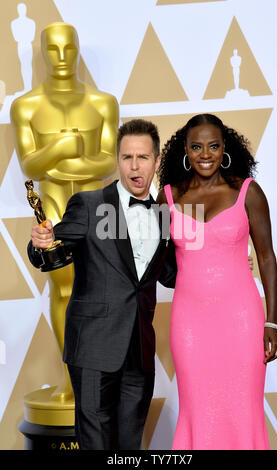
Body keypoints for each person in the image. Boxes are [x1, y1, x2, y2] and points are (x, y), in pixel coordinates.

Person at [27, 119, 177, 450]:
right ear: (118, 161)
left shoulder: (164, 213)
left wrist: (223, 261)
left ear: (156, 161)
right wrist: (40, 245)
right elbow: (54, 252)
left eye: (143, 157)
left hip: (139, 349)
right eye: (127, 157)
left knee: (130, 446)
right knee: (95, 444)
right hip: (94, 347)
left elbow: (170, 275)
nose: (135, 166)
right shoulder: (89, 204)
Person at [157, 113, 277, 450]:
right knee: (198, 409)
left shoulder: (247, 192)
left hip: (242, 321)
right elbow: (152, 257)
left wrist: (272, 321)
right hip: (190, 323)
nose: (206, 154)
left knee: (244, 410)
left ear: (225, 146)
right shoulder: (168, 197)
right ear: (185, 149)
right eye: (197, 146)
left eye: (213, 145)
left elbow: (267, 258)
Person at [11, 22, 119, 401]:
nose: (60, 58)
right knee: (65, 289)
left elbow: (107, 163)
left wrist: (56, 162)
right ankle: (73, 378)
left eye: (67, 49)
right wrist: (65, 146)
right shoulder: (25, 106)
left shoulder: (102, 103)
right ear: (41, 52)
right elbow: (30, 165)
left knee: (107, 291)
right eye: (52, 49)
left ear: (77, 51)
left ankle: (100, 376)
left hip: (98, 207)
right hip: (54, 208)